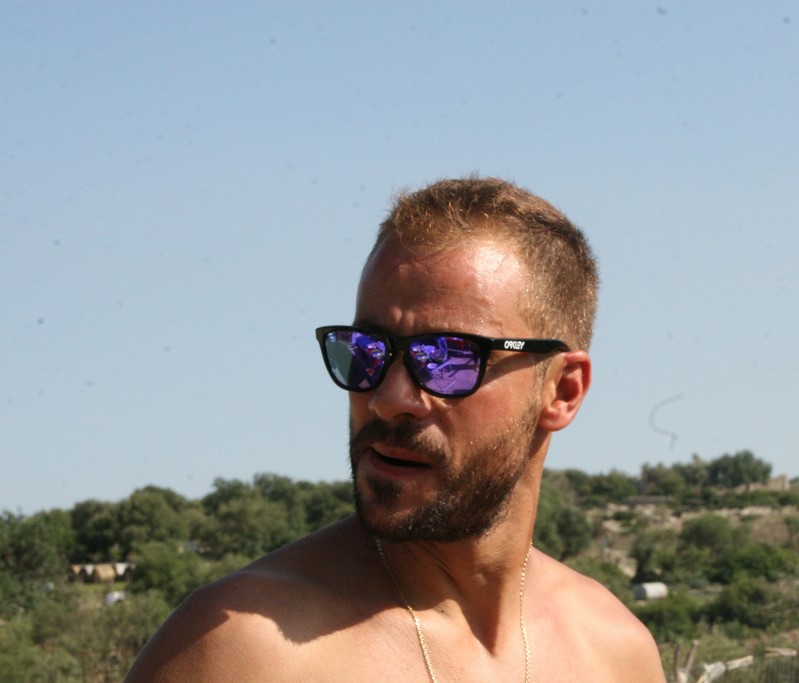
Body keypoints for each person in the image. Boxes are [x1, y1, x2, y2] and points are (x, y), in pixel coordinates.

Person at [126, 177, 666, 682]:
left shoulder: (615, 655)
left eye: (449, 358)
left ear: (562, 391)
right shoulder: (243, 650)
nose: (387, 400)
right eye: (367, 351)